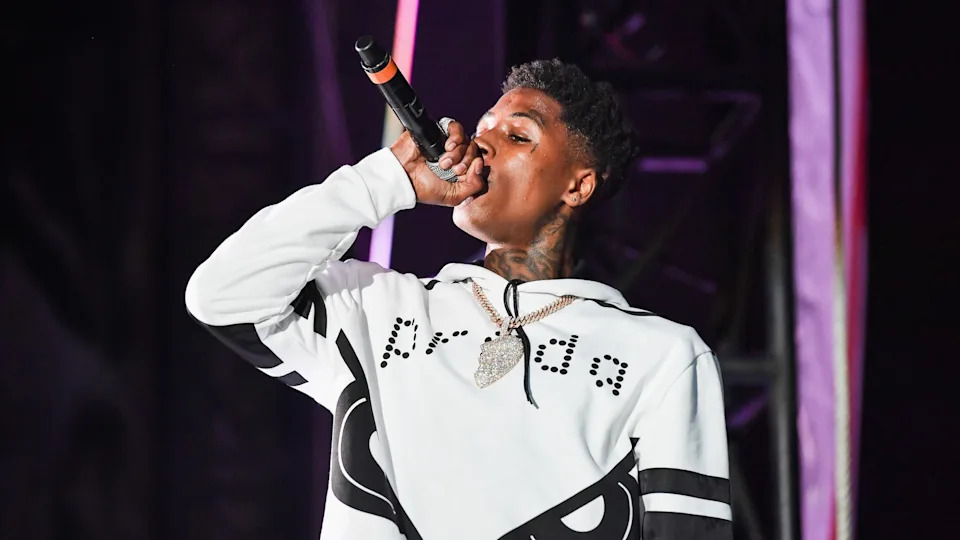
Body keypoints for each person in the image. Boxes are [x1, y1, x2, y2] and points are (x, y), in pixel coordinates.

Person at [186, 59, 732, 539]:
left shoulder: (662, 355)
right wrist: (389, 180)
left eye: (518, 136)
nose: (481, 144)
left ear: (578, 186)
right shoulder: (379, 309)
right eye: (483, 129)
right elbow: (223, 294)